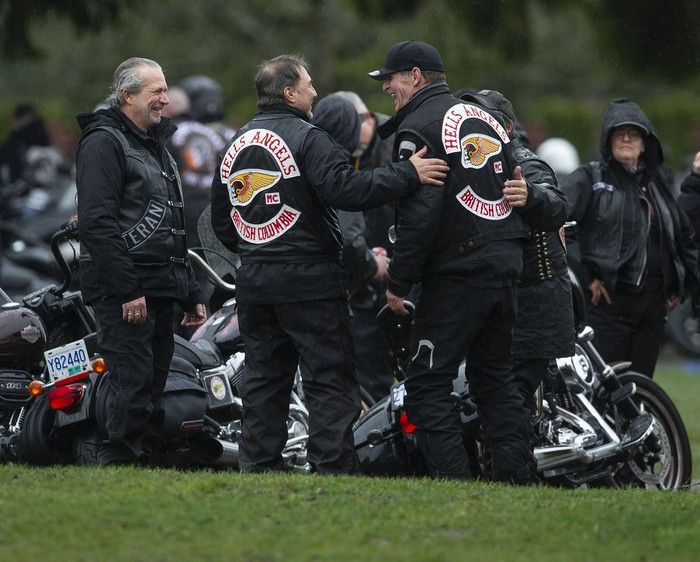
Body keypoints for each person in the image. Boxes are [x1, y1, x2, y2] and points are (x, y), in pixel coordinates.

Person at [211, 54, 449, 474]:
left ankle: (256, 469)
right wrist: (407, 173)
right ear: (288, 92)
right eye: (307, 84)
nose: (315, 92)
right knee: (329, 382)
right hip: (310, 283)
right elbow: (347, 189)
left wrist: (257, 247)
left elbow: (221, 221)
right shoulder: (310, 137)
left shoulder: (235, 142)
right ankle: (332, 471)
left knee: (265, 382)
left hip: (256, 281)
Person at [369, 40, 537, 483]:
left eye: (392, 78)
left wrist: (399, 283)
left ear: (416, 76)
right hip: (504, 263)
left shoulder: (419, 126)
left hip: (457, 273)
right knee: (495, 379)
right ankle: (516, 482)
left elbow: (420, 217)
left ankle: (456, 485)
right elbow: (518, 184)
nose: (387, 86)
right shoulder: (484, 117)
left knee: (426, 384)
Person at [76, 57, 207, 466]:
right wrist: (127, 290)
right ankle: (119, 463)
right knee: (131, 384)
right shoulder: (103, 142)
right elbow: (97, 224)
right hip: (126, 290)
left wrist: (189, 293)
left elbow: (175, 226)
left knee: (153, 384)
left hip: (161, 286)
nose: (166, 100)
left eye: (166, 91)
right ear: (127, 95)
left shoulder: (157, 147)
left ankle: (143, 466)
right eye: (157, 92)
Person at [456, 88, 575, 418]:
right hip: (494, 305)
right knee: (492, 399)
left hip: (533, 308)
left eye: (484, 120)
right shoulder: (468, 168)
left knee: (510, 402)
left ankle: (515, 470)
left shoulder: (526, 166)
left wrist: (531, 195)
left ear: (506, 128)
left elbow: (557, 207)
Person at [562, 98, 697, 378]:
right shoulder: (589, 178)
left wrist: (679, 282)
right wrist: (586, 278)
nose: (626, 137)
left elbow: (683, 234)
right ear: (608, 139)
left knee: (640, 390)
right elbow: (561, 225)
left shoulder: (658, 185)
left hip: (652, 312)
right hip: (607, 307)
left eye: (634, 132)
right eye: (619, 131)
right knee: (603, 389)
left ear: (645, 142)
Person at [312, 93, 394, 402]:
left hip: (390, 255)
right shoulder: (332, 153)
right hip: (358, 266)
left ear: (368, 118)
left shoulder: (396, 142)